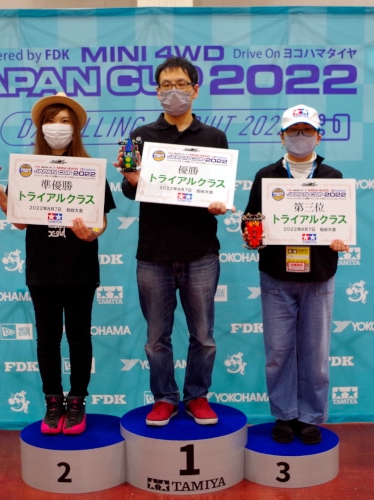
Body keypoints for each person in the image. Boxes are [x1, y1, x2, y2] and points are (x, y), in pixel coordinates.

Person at [116, 57, 231, 427]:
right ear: (157, 92)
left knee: (204, 336)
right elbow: (130, 191)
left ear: (195, 89)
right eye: (166, 85)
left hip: (201, 252)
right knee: (156, 338)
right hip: (154, 253)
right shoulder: (140, 136)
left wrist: (219, 203)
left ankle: (197, 396)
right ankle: (164, 398)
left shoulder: (213, 137)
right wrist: (131, 180)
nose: (173, 92)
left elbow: (220, 190)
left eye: (181, 84)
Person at [0, 92, 116, 435]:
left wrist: (92, 233)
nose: (57, 128)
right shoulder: (27, 170)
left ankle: (77, 401)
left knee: (79, 337)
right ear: (40, 128)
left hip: (80, 268)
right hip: (42, 268)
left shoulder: (91, 171)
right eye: (51, 121)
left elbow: (101, 221)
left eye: (64, 122)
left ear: (75, 129)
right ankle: (52, 402)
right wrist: (1, 198)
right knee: (47, 339)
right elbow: (20, 221)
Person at [242, 104, 350, 444]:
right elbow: (250, 219)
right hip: (276, 275)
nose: (299, 137)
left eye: (306, 131)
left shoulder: (333, 177)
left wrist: (340, 239)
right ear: (281, 137)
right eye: (293, 131)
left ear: (318, 137)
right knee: (278, 353)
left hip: (319, 276)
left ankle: (310, 416)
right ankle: (285, 414)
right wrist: (251, 235)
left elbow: (342, 224)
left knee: (315, 356)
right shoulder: (266, 176)